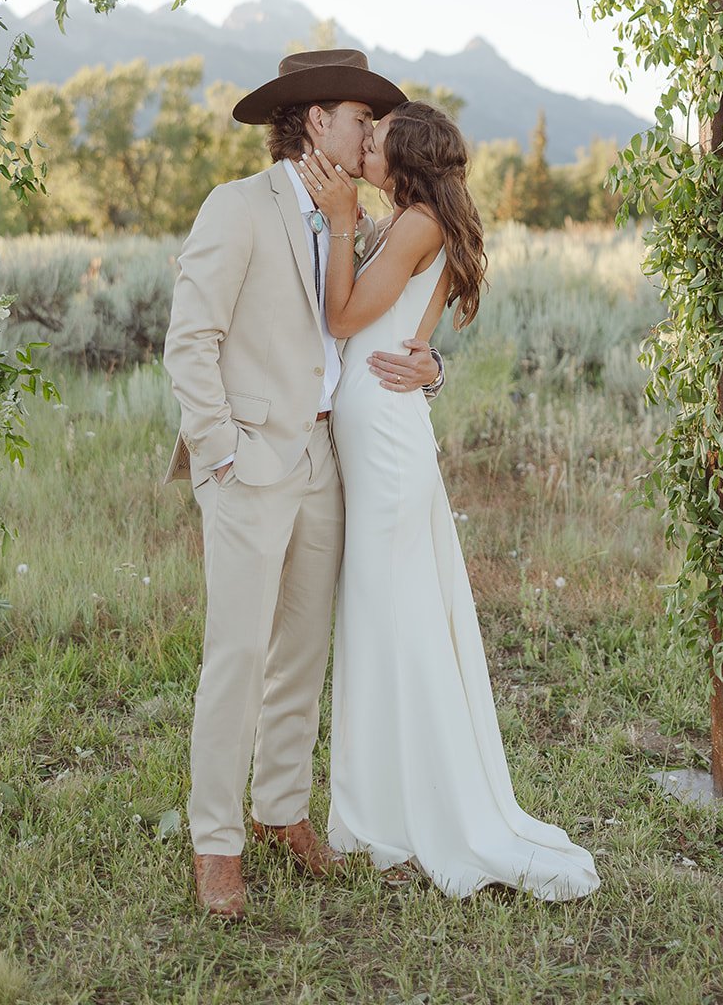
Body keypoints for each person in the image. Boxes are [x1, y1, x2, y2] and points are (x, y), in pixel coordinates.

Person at [162, 50, 444, 920]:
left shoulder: (353, 216)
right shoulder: (237, 208)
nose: (371, 138)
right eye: (363, 120)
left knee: (301, 654)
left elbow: (384, 316)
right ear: (317, 121)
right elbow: (190, 341)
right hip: (249, 461)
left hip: (328, 461)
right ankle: (216, 843)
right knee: (238, 655)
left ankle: (281, 810)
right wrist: (220, 455)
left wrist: (430, 368)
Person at [299, 100, 600, 902]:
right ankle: (382, 803)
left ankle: (410, 808)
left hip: (388, 436)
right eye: (361, 133)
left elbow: (339, 317)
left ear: (404, 157)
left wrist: (337, 222)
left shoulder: (412, 223)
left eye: (376, 138)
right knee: (383, 614)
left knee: (390, 614)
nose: (363, 144)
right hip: (381, 422)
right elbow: (396, 330)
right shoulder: (408, 218)